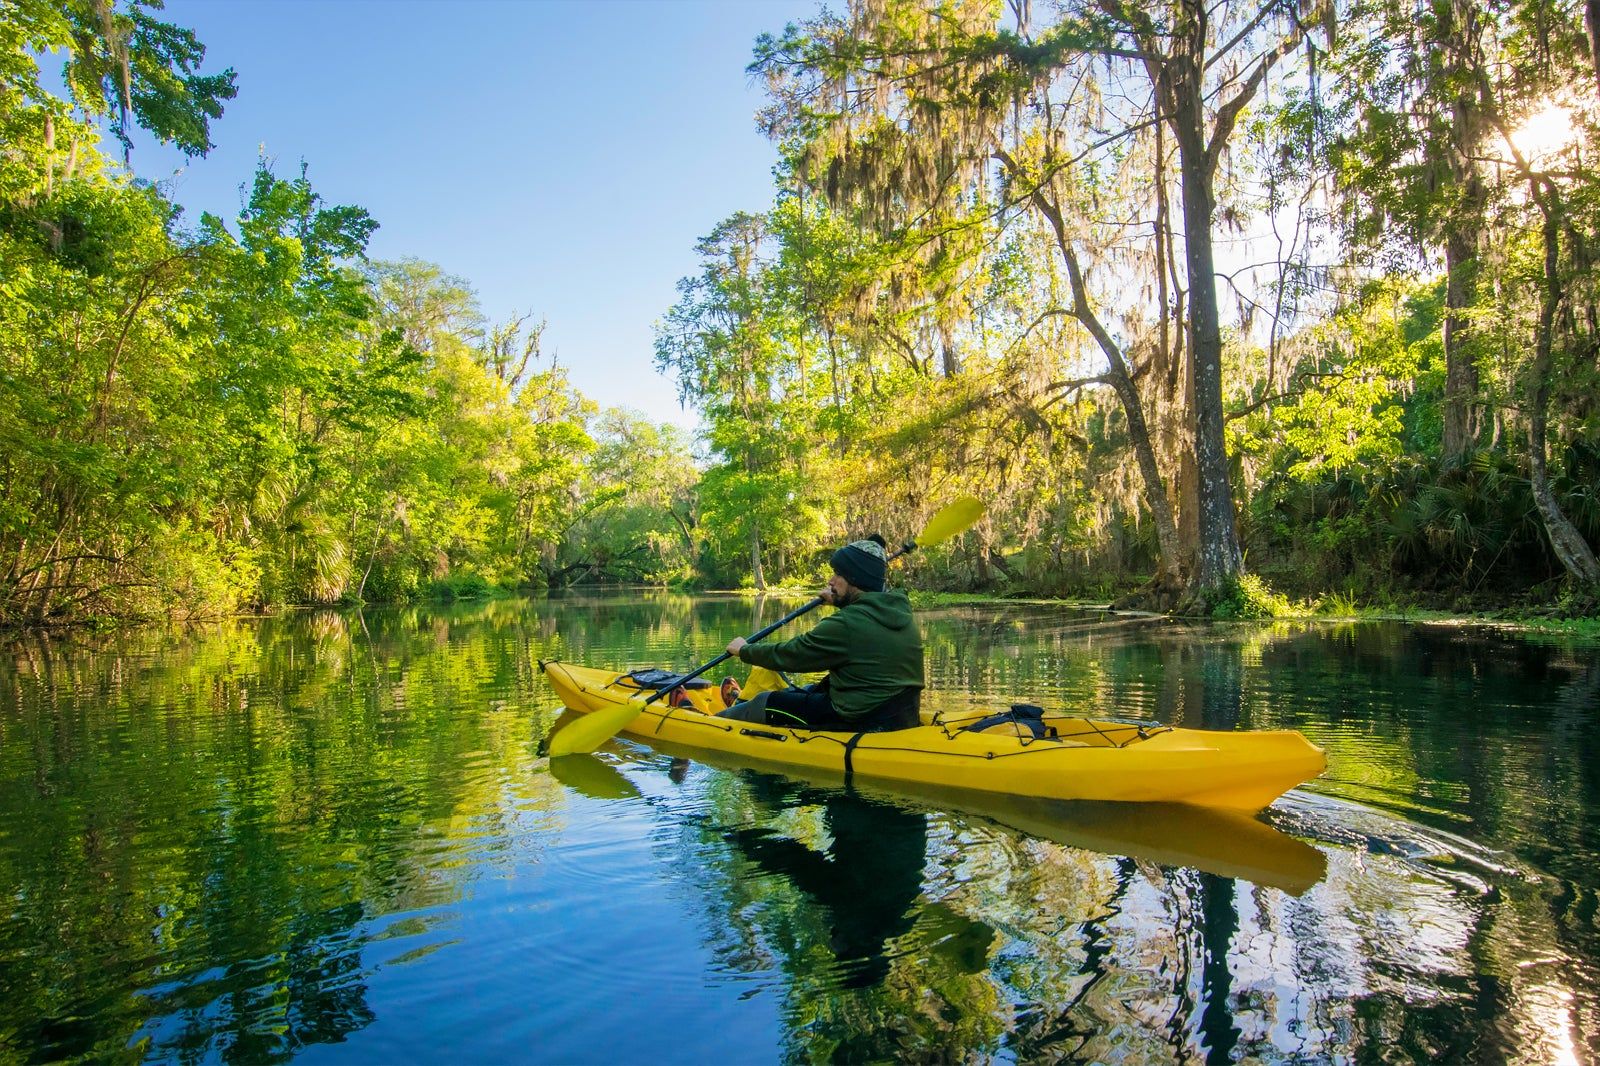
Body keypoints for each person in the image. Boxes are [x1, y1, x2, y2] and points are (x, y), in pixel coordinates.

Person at [718, 535, 924, 732]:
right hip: (895, 715)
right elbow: (861, 626)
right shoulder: (899, 613)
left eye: (838, 574)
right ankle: (740, 701)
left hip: (856, 718)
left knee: (765, 702)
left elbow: (792, 655)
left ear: (855, 578)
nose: (831, 581)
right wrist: (842, 602)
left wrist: (744, 650)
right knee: (810, 689)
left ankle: (715, 722)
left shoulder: (845, 625)